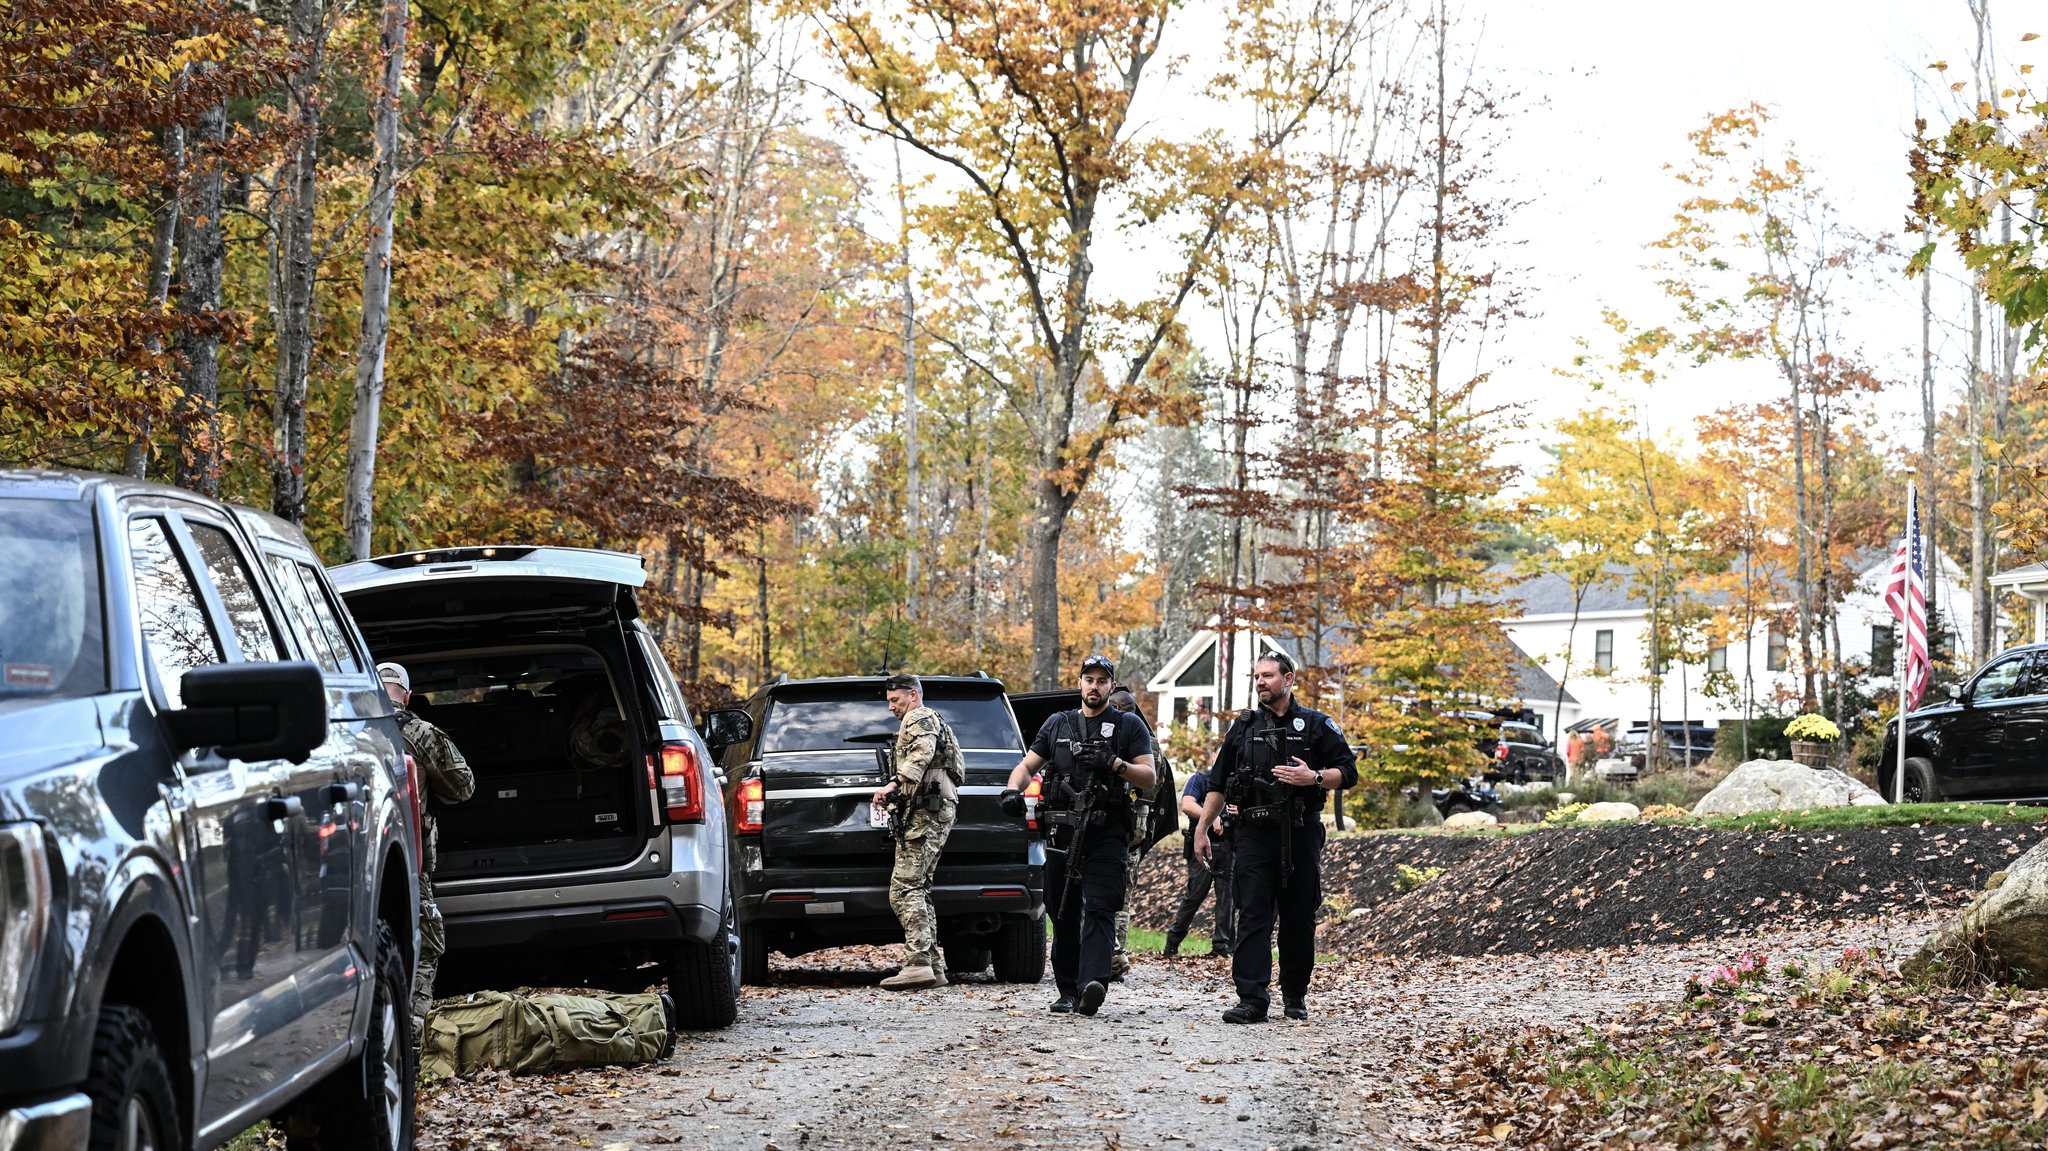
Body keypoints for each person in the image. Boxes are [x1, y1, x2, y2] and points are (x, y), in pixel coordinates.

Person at [1193, 651, 1356, 1023]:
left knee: (1299, 916)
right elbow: (1218, 782)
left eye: (1267, 675)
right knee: (1252, 913)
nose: (1261, 682)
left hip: (1300, 831)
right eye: (1256, 677)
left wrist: (1312, 778)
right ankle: (1252, 998)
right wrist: (1202, 828)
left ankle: (1294, 995)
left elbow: (1348, 771)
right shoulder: (1244, 727)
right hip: (1252, 833)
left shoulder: (1315, 724)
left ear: (1289, 679)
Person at [1000, 655, 1155, 1017]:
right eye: (1089, 679)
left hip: (1107, 830)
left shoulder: (1128, 725)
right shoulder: (1058, 724)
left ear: (1111, 686)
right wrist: (1012, 791)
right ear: (1080, 683)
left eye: (1103, 680)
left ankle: (1092, 985)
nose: (1095, 686)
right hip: (1061, 831)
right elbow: (1027, 766)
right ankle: (1067, 989)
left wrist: (1115, 764)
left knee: (1101, 907)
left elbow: (1148, 777)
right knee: (1063, 908)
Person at [380, 661, 477, 1040]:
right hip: (407, 863)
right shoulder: (419, 732)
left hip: (351, 867)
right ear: (406, 695)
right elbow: (463, 786)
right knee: (424, 946)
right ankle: (410, 1043)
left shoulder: (346, 730)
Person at [872, 672, 965, 990]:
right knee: (920, 889)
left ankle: (918, 964)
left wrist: (893, 783)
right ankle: (933, 967)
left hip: (928, 811)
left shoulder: (921, 716)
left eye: (894, 700)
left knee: (903, 889)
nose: (891, 708)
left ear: (913, 694)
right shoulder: (931, 719)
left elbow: (922, 754)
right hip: (931, 809)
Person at [1105, 686, 1172, 979]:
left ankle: (1114, 954)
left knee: (1113, 892)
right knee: (1124, 892)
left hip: (1124, 821)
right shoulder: (1152, 745)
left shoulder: (1131, 742)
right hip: (1140, 824)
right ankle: (1115, 953)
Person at [1163, 766, 1232, 958]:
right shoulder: (1201, 779)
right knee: (1195, 895)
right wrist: (1211, 817)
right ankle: (1173, 942)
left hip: (1229, 847)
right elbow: (1187, 804)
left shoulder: (1237, 779)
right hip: (1201, 846)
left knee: (1227, 898)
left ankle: (1222, 946)